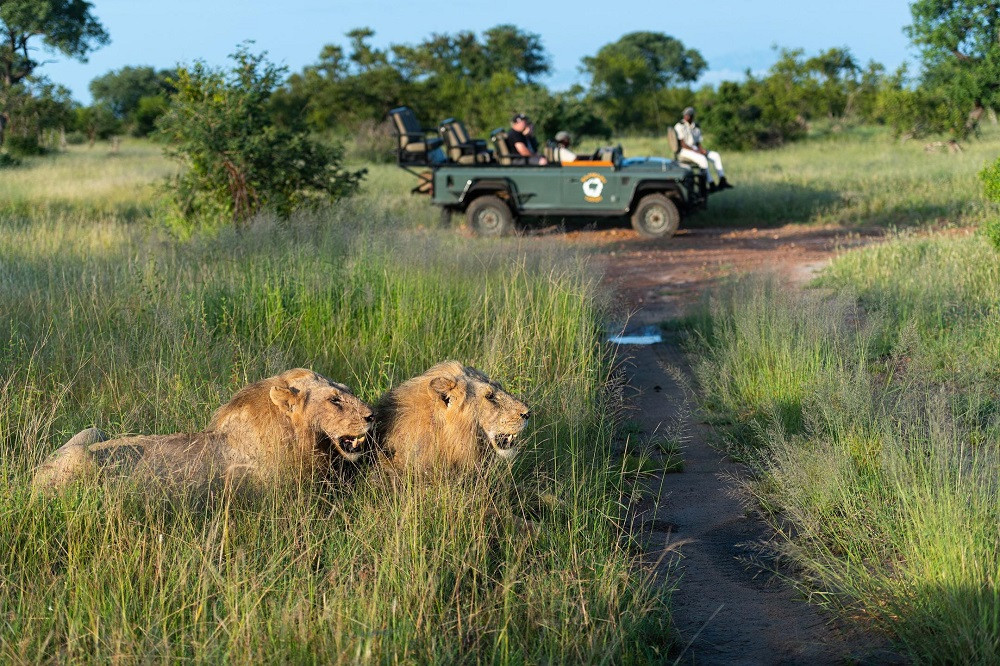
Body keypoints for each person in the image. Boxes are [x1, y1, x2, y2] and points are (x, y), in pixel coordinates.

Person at [674, 106, 731, 190]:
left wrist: (701, 150)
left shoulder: (696, 127)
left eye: (688, 115)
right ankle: (711, 183)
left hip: (694, 148)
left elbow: (698, 142)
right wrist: (696, 151)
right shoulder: (679, 125)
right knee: (702, 159)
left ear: (692, 116)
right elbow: (682, 144)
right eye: (685, 115)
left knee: (715, 156)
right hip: (684, 150)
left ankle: (722, 179)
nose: (686, 117)